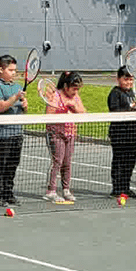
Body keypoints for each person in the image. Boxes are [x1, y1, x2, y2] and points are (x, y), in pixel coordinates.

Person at [0, 54, 27, 207]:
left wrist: (25, 106)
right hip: (2, 134)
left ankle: (8, 194)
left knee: (12, 165)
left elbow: (23, 111)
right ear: (1, 70)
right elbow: (0, 107)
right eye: (10, 70)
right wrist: (15, 97)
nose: (13, 73)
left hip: (17, 133)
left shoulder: (18, 86)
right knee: (0, 165)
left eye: (15, 70)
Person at [44, 71, 85, 202]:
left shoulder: (76, 97)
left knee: (67, 163)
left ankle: (66, 189)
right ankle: (51, 190)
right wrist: (62, 110)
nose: (75, 91)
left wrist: (74, 107)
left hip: (70, 133)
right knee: (58, 162)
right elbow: (48, 115)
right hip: (56, 133)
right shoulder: (55, 95)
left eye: (77, 89)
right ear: (66, 86)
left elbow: (83, 113)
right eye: (74, 88)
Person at [107, 66, 136, 200]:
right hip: (119, 133)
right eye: (126, 79)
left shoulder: (132, 94)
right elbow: (115, 111)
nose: (129, 83)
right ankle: (116, 188)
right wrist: (131, 110)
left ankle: (126, 187)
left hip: (133, 133)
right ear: (118, 79)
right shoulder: (115, 93)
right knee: (119, 160)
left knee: (130, 161)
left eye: (131, 80)